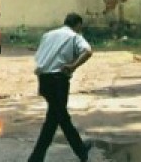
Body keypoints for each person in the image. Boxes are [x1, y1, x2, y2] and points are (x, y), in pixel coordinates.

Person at [28, 13, 94, 162]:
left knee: (54, 119)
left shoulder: (48, 35)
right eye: (80, 27)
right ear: (77, 25)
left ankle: (38, 157)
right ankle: (80, 150)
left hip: (44, 79)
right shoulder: (73, 36)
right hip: (59, 80)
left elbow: (39, 56)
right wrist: (72, 66)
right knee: (62, 118)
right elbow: (88, 51)